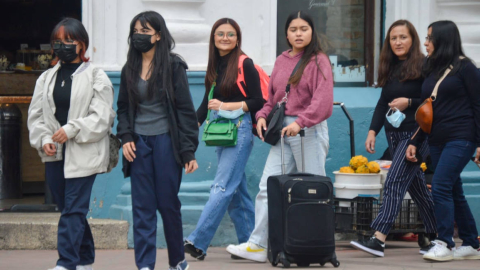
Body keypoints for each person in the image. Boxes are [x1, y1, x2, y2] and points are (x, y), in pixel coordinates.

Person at [226, 10, 333, 263]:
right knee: (267, 186)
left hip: (309, 131)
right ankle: (258, 245)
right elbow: (273, 97)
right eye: (294, 29)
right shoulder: (282, 60)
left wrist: (301, 122)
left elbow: (323, 101)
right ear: (286, 33)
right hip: (283, 133)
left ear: (312, 32)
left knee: (314, 190)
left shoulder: (319, 60)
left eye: (304, 29)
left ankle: (317, 245)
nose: (298, 33)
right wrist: (262, 114)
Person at [27, 18, 115, 270]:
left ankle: (66, 263)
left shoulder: (96, 76)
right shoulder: (46, 77)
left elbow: (102, 117)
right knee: (69, 208)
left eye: (69, 40)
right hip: (55, 154)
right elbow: (37, 115)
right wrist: (44, 139)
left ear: (82, 44)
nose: (63, 45)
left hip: (85, 152)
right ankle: (85, 260)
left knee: (73, 209)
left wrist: (71, 129)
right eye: (58, 41)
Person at [116, 11, 199, 270]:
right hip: (139, 145)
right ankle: (145, 265)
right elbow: (123, 108)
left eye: (145, 31)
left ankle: (177, 261)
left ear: (158, 35)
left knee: (168, 203)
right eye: (136, 32)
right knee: (142, 208)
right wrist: (126, 136)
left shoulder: (174, 67)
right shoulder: (128, 68)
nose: (139, 36)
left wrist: (188, 151)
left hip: (166, 142)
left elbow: (185, 111)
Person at [349, 20, 437, 257]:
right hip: (394, 135)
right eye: (393, 38)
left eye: (403, 37)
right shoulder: (389, 66)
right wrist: (372, 131)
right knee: (417, 187)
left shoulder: (425, 65)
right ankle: (434, 233)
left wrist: (409, 102)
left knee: (395, 181)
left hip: (416, 135)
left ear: (413, 39)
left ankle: (379, 238)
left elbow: (434, 100)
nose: (398, 42)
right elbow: (382, 102)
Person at [183, 18, 262, 261]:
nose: (225, 38)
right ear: (213, 38)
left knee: (222, 186)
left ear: (237, 38)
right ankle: (250, 243)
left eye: (230, 34)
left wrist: (226, 105)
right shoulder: (215, 64)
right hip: (221, 130)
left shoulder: (244, 63)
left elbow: (258, 101)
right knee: (236, 189)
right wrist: (190, 126)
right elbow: (207, 103)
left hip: (239, 128)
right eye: (220, 34)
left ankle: (197, 242)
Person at [406, 20, 480, 262]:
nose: (425, 43)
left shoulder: (466, 68)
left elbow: (479, 106)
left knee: (439, 185)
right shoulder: (431, 68)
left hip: (462, 137)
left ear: (443, 40)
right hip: (437, 139)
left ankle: (445, 243)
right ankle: (471, 243)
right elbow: (427, 108)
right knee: (453, 190)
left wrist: (479, 143)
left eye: (429, 38)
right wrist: (415, 140)